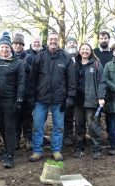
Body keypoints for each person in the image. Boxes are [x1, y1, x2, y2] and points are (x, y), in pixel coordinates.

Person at [28, 33, 76, 162]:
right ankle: (37, 151)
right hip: (41, 98)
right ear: (47, 41)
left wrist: (70, 96)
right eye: (51, 39)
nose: (53, 41)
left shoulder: (65, 58)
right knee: (37, 125)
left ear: (59, 41)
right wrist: (31, 95)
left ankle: (56, 150)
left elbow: (71, 79)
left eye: (56, 39)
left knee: (58, 126)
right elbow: (32, 78)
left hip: (59, 99)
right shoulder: (40, 57)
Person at [0, 32, 26, 168]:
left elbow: (22, 83)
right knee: (0, 127)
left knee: (10, 128)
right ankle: (7, 149)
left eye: (7, 47)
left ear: (10, 48)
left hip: (10, 100)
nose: (4, 50)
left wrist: (19, 100)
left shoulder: (18, 63)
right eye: (2, 47)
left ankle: (10, 156)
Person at [73, 43, 106, 159]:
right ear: (79, 51)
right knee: (78, 126)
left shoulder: (96, 64)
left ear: (91, 51)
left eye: (87, 49)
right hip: (78, 101)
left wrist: (101, 97)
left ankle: (97, 149)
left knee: (93, 126)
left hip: (91, 100)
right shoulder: (74, 64)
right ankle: (79, 148)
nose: (85, 51)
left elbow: (102, 81)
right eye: (83, 49)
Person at [93, 31, 113, 145]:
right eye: (101, 38)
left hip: (110, 89)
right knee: (97, 115)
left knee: (110, 115)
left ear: (109, 39)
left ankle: (111, 137)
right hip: (97, 89)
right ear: (98, 40)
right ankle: (97, 139)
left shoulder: (113, 53)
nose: (103, 40)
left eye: (105, 38)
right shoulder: (94, 53)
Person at [63, 36, 79, 146]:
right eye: (70, 43)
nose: (72, 44)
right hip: (66, 91)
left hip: (80, 91)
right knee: (67, 115)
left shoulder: (81, 57)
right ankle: (67, 135)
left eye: (74, 42)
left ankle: (79, 136)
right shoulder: (63, 57)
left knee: (79, 116)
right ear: (66, 45)